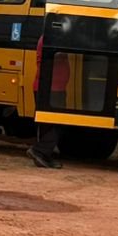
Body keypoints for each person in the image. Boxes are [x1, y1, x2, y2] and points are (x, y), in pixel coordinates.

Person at [28, 33, 67, 170]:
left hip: (54, 88)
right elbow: (55, 55)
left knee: (50, 125)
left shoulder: (52, 38)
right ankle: (39, 151)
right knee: (54, 123)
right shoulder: (48, 39)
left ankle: (45, 155)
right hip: (49, 89)